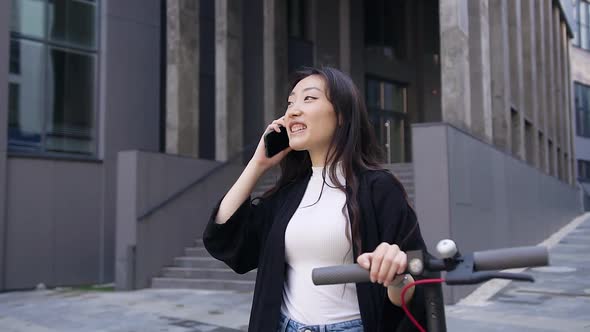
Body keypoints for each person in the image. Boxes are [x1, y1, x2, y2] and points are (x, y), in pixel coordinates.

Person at [203, 67, 427, 332]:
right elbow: (223, 238)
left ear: (342, 114)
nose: (293, 111)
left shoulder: (379, 188)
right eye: (290, 102)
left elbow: (417, 283)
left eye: (309, 99)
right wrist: (257, 164)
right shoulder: (288, 193)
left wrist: (396, 273)